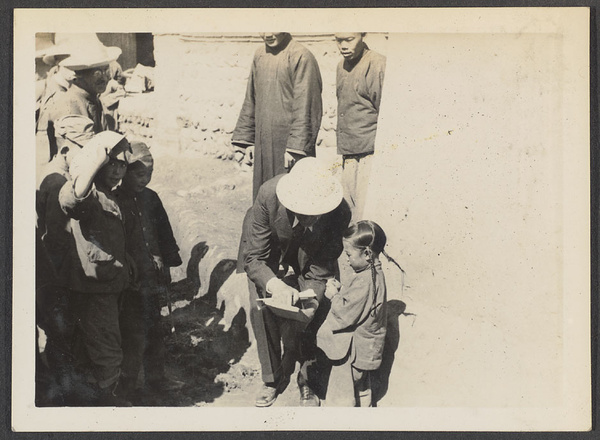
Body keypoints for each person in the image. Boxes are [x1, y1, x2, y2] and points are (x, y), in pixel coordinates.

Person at [238, 157, 351, 407]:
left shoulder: (339, 213)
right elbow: (255, 258)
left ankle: (307, 380)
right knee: (262, 308)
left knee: (314, 313)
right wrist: (276, 285)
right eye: (305, 210)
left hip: (309, 256)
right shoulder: (268, 195)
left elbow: (321, 267)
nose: (312, 217)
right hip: (268, 252)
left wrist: (309, 299)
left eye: (317, 212)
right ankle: (271, 378)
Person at [58, 130, 133, 406]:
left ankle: (92, 398)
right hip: (94, 287)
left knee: (94, 345)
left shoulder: (109, 194)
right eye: (111, 163)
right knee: (107, 348)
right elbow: (71, 200)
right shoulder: (88, 191)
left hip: (109, 283)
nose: (117, 171)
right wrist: (93, 162)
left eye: (122, 165)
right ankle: (108, 405)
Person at [113, 141, 184, 397]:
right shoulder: (115, 200)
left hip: (152, 279)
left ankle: (157, 379)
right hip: (130, 283)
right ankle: (128, 387)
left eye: (150, 175)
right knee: (132, 334)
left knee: (155, 330)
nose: (145, 179)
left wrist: (169, 260)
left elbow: (164, 232)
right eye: (140, 174)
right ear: (125, 172)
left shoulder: (152, 198)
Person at [36, 115, 95, 405]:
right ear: (66, 149)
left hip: (54, 270)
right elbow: (58, 238)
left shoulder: (57, 176)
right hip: (57, 273)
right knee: (62, 329)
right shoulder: (57, 182)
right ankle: (66, 388)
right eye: (84, 150)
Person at [317, 220, 402, 407]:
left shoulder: (365, 280)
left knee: (341, 395)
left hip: (353, 352)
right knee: (362, 388)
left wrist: (334, 296)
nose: (346, 260)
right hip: (367, 351)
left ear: (367, 254)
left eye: (348, 254)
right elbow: (360, 304)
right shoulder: (375, 273)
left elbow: (345, 315)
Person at [232, 32, 323, 200]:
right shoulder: (260, 54)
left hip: (288, 148)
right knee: (264, 198)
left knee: (290, 198)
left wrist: (295, 148)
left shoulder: (301, 56)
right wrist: (248, 140)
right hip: (263, 142)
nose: (268, 34)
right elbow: (251, 98)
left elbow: (307, 105)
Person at [41, 34, 122, 168]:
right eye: (97, 73)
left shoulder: (93, 98)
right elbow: (83, 158)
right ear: (79, 74)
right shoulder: (69, 105)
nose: (104, 78)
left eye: (106, 71)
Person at [334, 33, 386, 221]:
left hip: (369, 152)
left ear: (362, 35)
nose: (343, 46)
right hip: (348, 152)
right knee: (348, 212)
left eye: (349, 39)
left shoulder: (376, 64)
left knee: (365, 214)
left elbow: (385, 111)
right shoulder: (341, 66)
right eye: (338, 40)